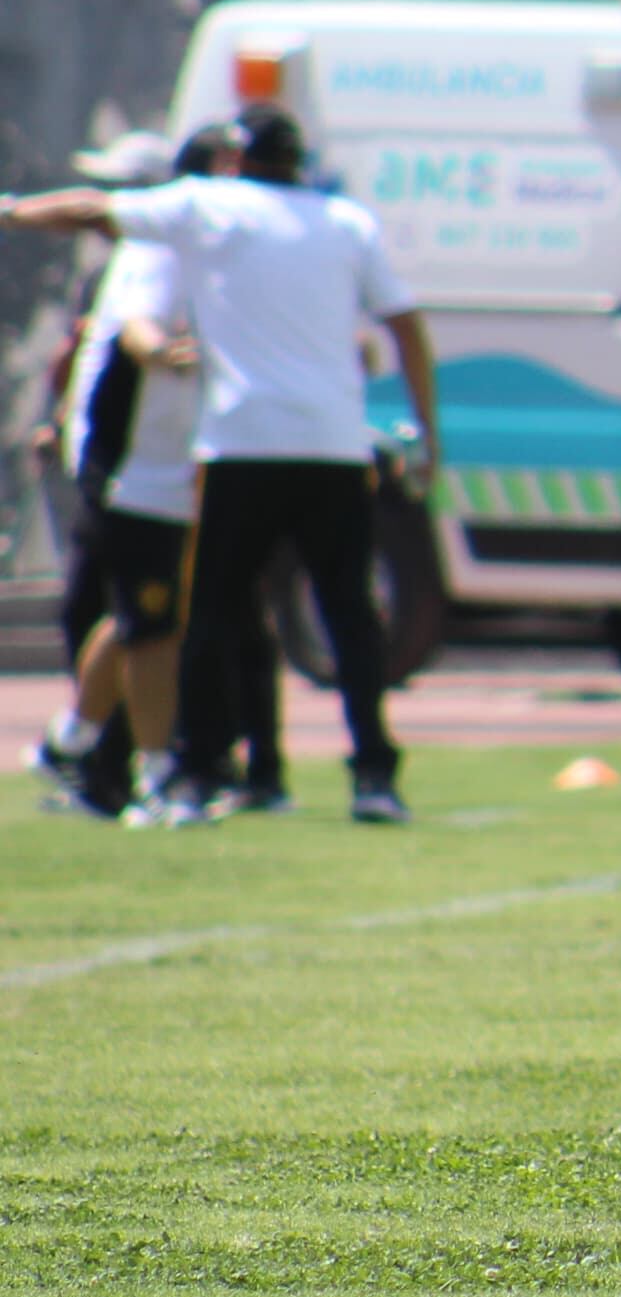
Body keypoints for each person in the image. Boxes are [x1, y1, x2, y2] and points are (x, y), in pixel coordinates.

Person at [4, 105, 437, 826]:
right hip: (333, 442)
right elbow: (401, 324)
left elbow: (88, 210)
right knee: (349, 618)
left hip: (242, 441)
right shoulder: (345, 221)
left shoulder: (209, 206)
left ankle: (197, 769)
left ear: (235, 161)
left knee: (209, 612)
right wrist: (427, 425)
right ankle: (372, 773)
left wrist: (13, 211)